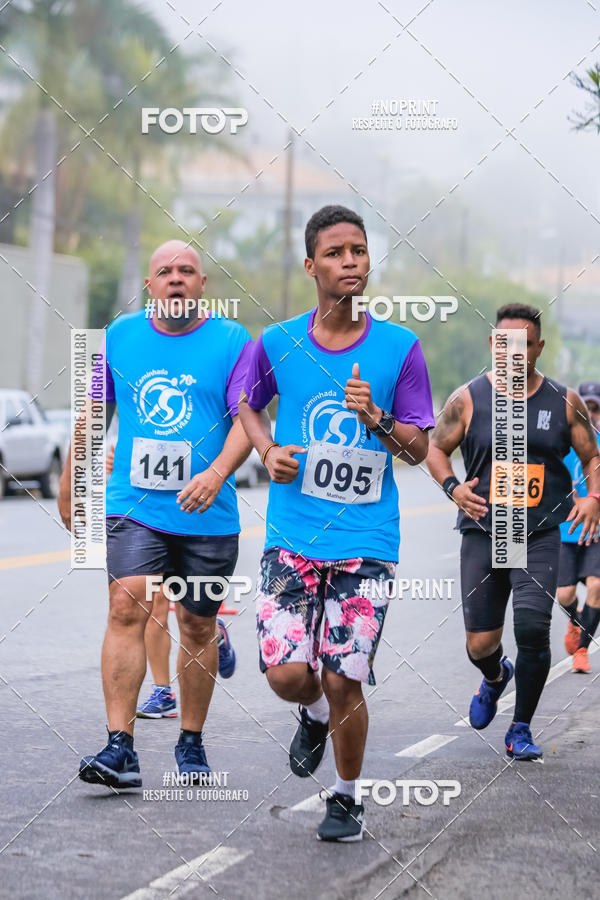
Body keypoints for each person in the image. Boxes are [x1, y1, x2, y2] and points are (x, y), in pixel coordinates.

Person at [238, 205, 434, 840]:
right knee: (289, 675)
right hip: (292, 538)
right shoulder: (279, 343)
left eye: (359, 250)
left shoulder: (401, 348)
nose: (351, 261)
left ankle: (346, 797)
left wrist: (376, 416)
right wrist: (268, 452)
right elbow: (246, 402)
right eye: (335, 253)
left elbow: (415, 448)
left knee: (342, 673)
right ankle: (314, 714)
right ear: (310, 266)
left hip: (366, 543)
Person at [58, 240, 251, 787]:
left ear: (202, 285)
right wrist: (73, 482)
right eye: (164, 272)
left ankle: (191, 741)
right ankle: (121, 747)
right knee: (126, 604)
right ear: (150, 287)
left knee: (196, 621)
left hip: (208, 512)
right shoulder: (118, 337)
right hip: (133, 503)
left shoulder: (233, 340)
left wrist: (215, 474)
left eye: (186, 271)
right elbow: (94, 409)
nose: (175, 279)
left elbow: (248, 419)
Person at [427, 303, 600, 761]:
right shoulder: (467, 399)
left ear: (539, 348)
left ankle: (519, 727)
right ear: (492, 345)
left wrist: (593, 497)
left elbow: (592, 456)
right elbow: (435, 448)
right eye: (504, 343)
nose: (513, 353)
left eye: (524, 344)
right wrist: (452, 487)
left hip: (539, 531)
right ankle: (493, 676)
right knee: (479, 644)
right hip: (484, 530)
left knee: (531, 626)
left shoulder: (565, 402)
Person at [103, 446, 237, 721]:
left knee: (191, 615)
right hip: (145, 515)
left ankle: (212, 633)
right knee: (153, 605)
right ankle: (163, 692)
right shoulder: (127, 403)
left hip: (194, 511)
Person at [557, 382, 600, 673]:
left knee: (597, 587)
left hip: (597, 530)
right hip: (566, 530)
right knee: (565, 595)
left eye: (595, 408)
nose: (590, 413)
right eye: (585, 407)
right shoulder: (562, 441)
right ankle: (575, 619)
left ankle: (582, 649)